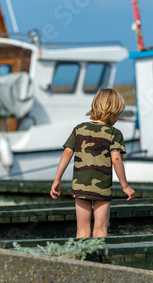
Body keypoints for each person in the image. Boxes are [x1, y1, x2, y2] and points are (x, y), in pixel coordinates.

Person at [50, 88, 135, 238]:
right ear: (112, 112)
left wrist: (57, 179)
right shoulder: (113, 133)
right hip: (101, 187)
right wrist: (125, 186)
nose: (117, 119)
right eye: (118, 114)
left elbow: (67, 153)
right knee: (100, 230)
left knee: (82, 230)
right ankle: (98, 261)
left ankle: (80, 260)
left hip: (80, 186)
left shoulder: (79, 129)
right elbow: (116, 159)